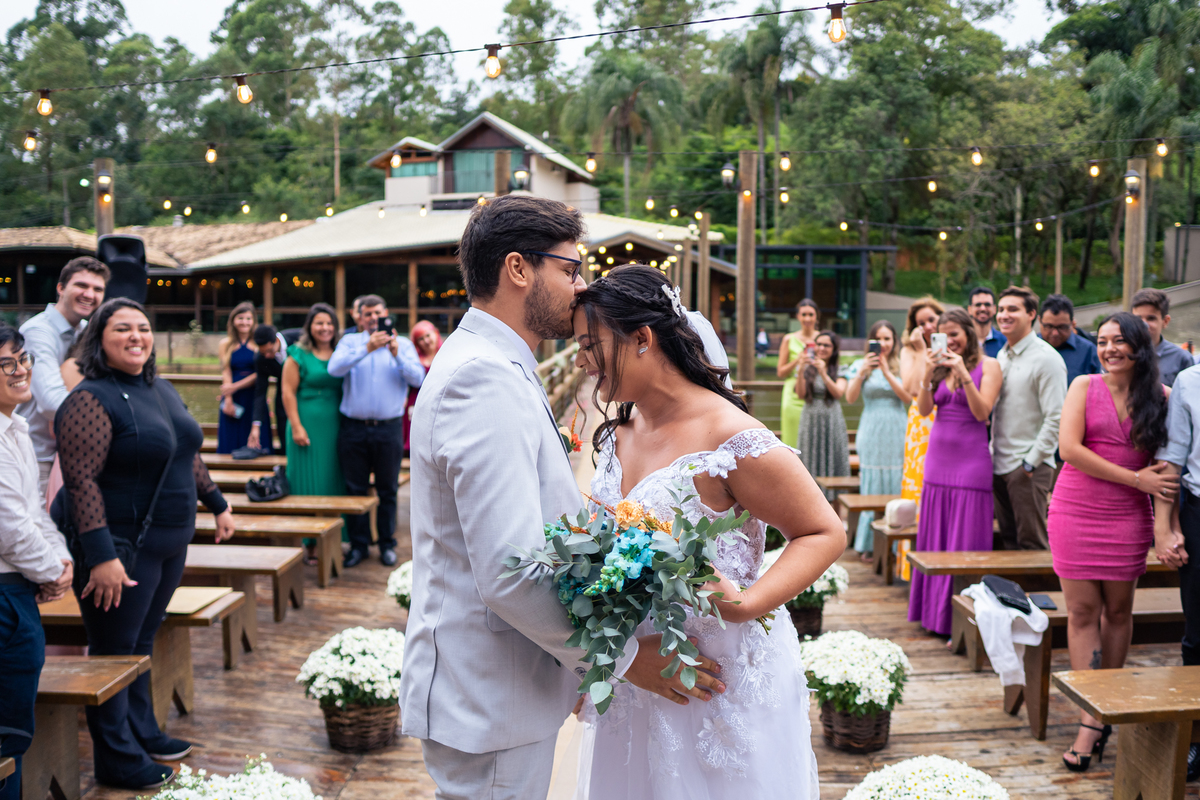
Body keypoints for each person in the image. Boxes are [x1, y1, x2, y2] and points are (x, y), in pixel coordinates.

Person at [401, 196, 737, 800]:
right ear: (518, 269)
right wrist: (626, 657)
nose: (580, 288)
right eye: (571, 269)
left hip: (501, 690)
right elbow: (510, 570)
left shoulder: (497, 363)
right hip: (490, 697)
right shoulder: (483, 378)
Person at [574, 264, 844, 797]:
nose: (582, 359)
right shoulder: (616, 436)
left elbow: (823, 531)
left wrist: (747, 600)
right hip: (639, 675)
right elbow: (609, 556)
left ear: (642, 338)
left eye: (590, 344)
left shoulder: (730, 438)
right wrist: (610, 654)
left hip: (721, 683)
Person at [54, 298, 235, 790]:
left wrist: (217, 503)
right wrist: (102, 557)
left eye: (143, 327)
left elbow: (186, 454)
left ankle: (141, 730)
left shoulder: (161, 388)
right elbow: (81, 483)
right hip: (120, 546)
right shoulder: (90, 398)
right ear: (99, 339)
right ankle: (116, 756)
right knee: (113, 650)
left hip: (170, 542)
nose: (136, 336)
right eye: (122, 329)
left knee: (139, 642)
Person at [1048, 312, 1175, 772]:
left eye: (1119, 341)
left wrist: (1165, 524)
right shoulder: (1083, 386)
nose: (1109, 349)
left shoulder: (1162, 399)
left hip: (1127, 519)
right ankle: (1091, 718)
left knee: (1119, 612)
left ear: (1140, 346)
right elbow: (1070, 450)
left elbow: (1165, 473)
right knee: (1082, 614)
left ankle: (1109, 706)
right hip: (1075, 510)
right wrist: (1133, 478)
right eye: (1102, 341)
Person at [0, 323, 73, 800]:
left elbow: (34, 513)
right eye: (7, 364)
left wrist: (60, 563)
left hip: (18, 588)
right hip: (5, 596)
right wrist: (49, 572)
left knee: (13, 734)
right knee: (5, 738)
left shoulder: (16, 427)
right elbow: (9, 528)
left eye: (23, 358)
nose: (22, 369)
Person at [908, 309, 1002, 636]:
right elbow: (923, 409)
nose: (949, 341)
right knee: (936, 540)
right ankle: (934, 616)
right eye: (943, 335)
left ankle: (963, 624)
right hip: (937, 463)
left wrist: (962, 373)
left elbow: (981, 412)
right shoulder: (937, 367)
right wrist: (928, 372)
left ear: (969, 332)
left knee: (965, 540)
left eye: (955, 334)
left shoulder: (988, 366)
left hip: (971, 464)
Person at [328, 295, 425, 567]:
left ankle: (386, 543)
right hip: (353, 428)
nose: (372, 318)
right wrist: (366, 349)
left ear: (386, 314)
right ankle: (358, 546)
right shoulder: (350, 342)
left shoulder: (402, 345)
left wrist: (395, 355)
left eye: (377, 313)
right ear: (359, 317)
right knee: (355, 488)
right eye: (367, 314)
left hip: (388, 428)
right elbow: (333, 369)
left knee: (387, 489)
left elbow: (419, 379)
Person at [15, 256, 109, 497]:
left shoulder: (87, 330)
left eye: (97, 289)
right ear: (60, 287)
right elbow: (50, 402)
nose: (90, 294)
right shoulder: (38, 332)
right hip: (39, 456)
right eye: (81, 285)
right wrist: (109, 420)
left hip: (75, 454)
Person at [992, 286, 1068, 551]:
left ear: (1031, 314)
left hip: (1027, 467)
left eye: (1013, 309)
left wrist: (1029, 463)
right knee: (1009, 541)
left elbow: (1057, 417)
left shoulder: (1047, 359)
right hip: (999, 463)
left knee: (1032, 544)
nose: (1004, 315)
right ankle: (1012, 595)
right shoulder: (1002, 355)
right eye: (1001, 309)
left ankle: (1039, 595)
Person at [1154, 361, 1200, 781]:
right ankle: (1197, 738)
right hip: (1199, 512)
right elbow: (1171, 460)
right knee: (1198, 632)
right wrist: (1162, 527)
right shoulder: (1189, 381)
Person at [847, 320, 910, 557]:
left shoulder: (903, 365)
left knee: (896, 481)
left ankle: (896, 544)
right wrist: (863, 372)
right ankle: (869, 544)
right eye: (878, 339)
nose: (883, 344)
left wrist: (885, 371)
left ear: (895, 342)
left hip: (896, 426)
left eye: (887, 339)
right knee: (871, 482)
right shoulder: (859, 365)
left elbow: (907, 398)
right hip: (872, 427)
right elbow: (851, 397)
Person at [896, 297, 943, 578]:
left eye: (931, 319)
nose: (927, 325)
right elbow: (913, 387)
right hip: (921, 421)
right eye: (921, 322)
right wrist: (920, 348)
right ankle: (912, 567)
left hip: (947, 416)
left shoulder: (953, 345)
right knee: (917, 483)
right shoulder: (910, 350)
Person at [282, 304, 346, 505]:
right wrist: (296, 426)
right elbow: (287, 392)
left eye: (329, 323)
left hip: (337, 424)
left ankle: (338, 530)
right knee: (306, 476)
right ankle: (305, 532)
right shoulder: (298, 354)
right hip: (306, 423)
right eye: (319, 323)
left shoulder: (342, 352)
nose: (325, 327)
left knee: (334, 474)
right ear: (310, 326)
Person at [795, 330, 850, 494]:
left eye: (826, 345)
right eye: (818, 344)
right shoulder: (807, 368)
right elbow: (800, 394)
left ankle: (834, 505)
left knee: (833, 457)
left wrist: (824, 373)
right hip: (810, 418)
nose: (821, 348)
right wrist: (801, 369)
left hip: (831, 419)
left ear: (834, 349)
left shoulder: (841, 368)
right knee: (810, 458)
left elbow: (839, 393)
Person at [247, 324, 302, 455]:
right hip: (283, 401)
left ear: (276, 341)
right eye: (263, 352)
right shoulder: (260, 359)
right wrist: (256, 426)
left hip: (307, 395)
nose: (266, 356)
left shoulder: (299, 337)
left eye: (269, 351)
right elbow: (260, 392)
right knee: (286, 442)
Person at [776, 300, 820, 455]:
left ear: (816, 317)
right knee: (791, 437)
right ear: (798, 317)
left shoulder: (822, 339)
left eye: (811, 315)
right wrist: (798, 360)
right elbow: (781, 372)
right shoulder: (789, 339)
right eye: (804, 315)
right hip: (793, 392)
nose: (807, 318)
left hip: (816, 390)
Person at [215, 302, 257, 453]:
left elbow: (261, 374)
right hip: (232, 397)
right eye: (240, 318)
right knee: (230, 442)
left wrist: (235, 386)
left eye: (248, 318)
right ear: (233, 320)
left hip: (254, 396)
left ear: (253, 321)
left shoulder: (258, 343)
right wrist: (228, 399)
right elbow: (226, 371)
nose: (244, 322)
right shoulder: (225, 344)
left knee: (254, 442)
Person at [1131, 288, 1194, 387]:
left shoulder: (1182, 358)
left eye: (1151, 318)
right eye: (1138, 319)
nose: (1144, 324)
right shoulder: (1123, 354)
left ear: (1165, 321)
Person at [1039, 294, 1101, 386]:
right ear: (1039, 321)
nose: (1055, 333)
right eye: (1049, 327)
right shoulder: (1029, 349)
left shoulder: (1088, 352)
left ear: (1072, 324)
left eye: (1062, 327)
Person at [404, 321, 443, 454]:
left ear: (436, 333)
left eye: (428, 335)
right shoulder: (414, 359)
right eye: (421, 339)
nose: (426, 341)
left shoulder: (446, 354)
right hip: (416, 402)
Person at [967, 286, 1006, 358]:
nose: (983, 308)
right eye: (978, 305)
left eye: (987, 305)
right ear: (970, 309)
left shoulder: (1005, 342)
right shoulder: (964, 340)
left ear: (994, 309)